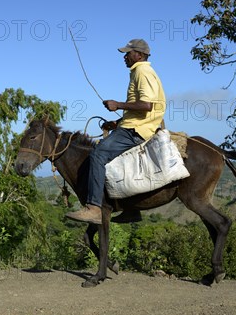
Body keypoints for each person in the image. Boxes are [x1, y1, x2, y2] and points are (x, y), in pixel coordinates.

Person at [65, 38, 166, 224]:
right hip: (134, 125)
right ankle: (131, 209)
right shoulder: (139, 72)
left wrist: (117, 104)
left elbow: (147, 105)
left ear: (140, 55)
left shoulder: (142, 72)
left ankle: (94, 208)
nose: (125, 56)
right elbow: (139, 109)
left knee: (97, 154)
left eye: (128, 53)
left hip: (137, 130)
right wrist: (117, 122)